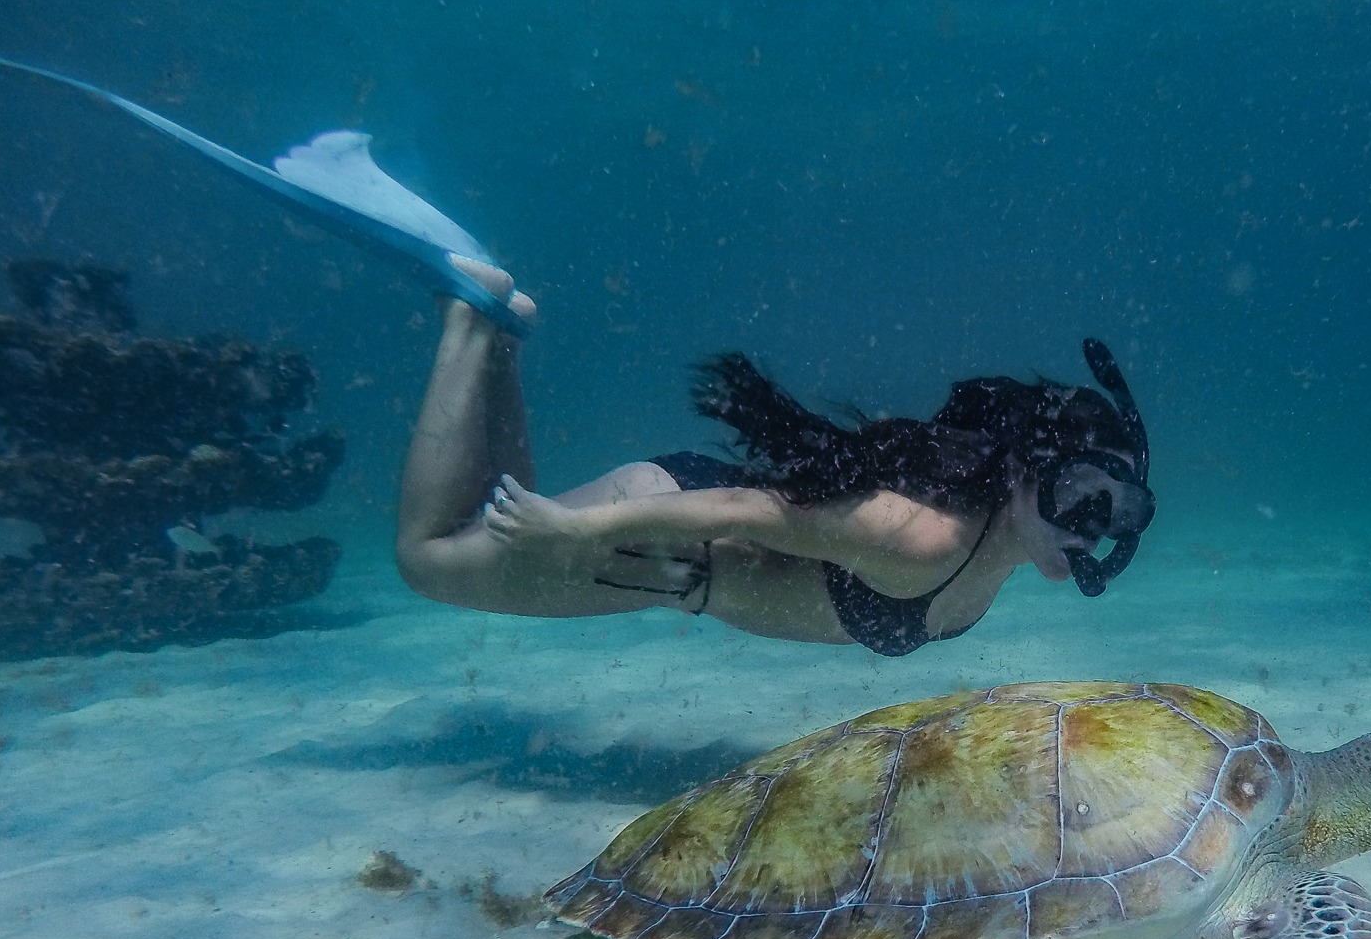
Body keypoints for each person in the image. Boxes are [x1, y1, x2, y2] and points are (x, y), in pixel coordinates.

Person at [395, 258, 1155, 655]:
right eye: (1084, 499)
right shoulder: (928, 539)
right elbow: (747, 510)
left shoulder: (993, 550)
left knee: (493, 515)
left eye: (1118, 521)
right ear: (1025, 472)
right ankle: (468, 317)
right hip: (663, 535)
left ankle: (499, 334)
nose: (1092, 533)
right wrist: (573, 533)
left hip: (671, 559)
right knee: (428, 559)